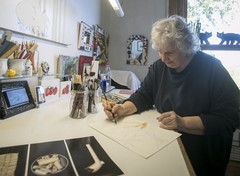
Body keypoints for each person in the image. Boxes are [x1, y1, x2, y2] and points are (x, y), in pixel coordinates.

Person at [103, 15, 240, 176]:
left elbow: (230, 117)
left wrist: (182, 123)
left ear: (185, 47)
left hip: (202, 155)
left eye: (169, 53)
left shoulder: (212, 69)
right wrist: (122, 109)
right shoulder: (159, 68)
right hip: (166, 146)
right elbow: (144, 95)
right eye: (159, 52)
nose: (163, 58)